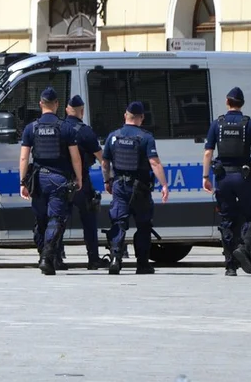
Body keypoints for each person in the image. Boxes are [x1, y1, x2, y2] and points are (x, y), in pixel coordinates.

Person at [202, 87, 251, 276]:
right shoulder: (250, 124)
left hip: (223, 178)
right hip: (244, 177)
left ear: (227, 102)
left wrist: (205, 177)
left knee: (227, 220)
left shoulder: (217, 124)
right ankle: (244, 247)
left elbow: (208, 152)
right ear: (242, 104)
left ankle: (230, 266)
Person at [19, 87, 83, 276]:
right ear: (56, 104)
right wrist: (79, 178)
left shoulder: (31, 128)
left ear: (40, 104)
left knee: (40, 220)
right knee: (56, 219)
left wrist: (23, 182)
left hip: (38, 179)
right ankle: (48, 257)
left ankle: (42, 255)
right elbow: (75, 158)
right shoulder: (66, 127)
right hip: (58, 179)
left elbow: (24, 158)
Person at [101, 101, 170, 275]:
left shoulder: (113, 136)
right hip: (140, 189)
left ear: (126, 116)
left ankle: (116, 258)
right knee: (143, 225)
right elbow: (154, 163)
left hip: (119, 186)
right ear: (142, 118)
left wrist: (107, 181)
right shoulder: (145, 137)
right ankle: (142, 264)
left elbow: (104, 163)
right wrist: (164, 184)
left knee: (119, 222)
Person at [58, 95, 109, 270]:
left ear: (66, 110)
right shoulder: (86, 131)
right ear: (82, 111)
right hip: (81, 182)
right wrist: (109, 179)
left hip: (60, 180)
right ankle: (93, 259)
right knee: (89, 220)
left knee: (58, 220)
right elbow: (102, 159)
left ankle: (56, 258)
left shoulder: (60, 128)